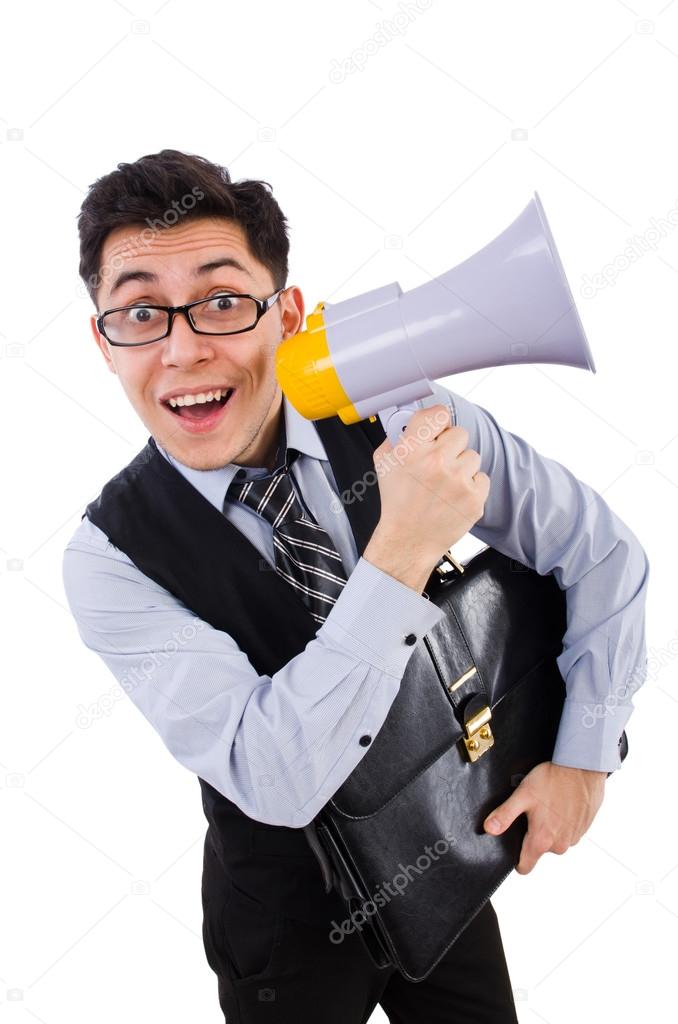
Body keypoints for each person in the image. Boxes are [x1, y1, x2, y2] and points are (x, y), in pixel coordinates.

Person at [63, 148, 649, 1023]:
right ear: (103, 342)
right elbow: (276, 779)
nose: (183, 349)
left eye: (223, 301)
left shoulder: (390, 408)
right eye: (141, 311)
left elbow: (601, 552)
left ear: (287, 315)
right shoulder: (108, 558)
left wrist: (586, 756)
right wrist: (402, 548)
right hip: (283, 931)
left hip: (448, 851)